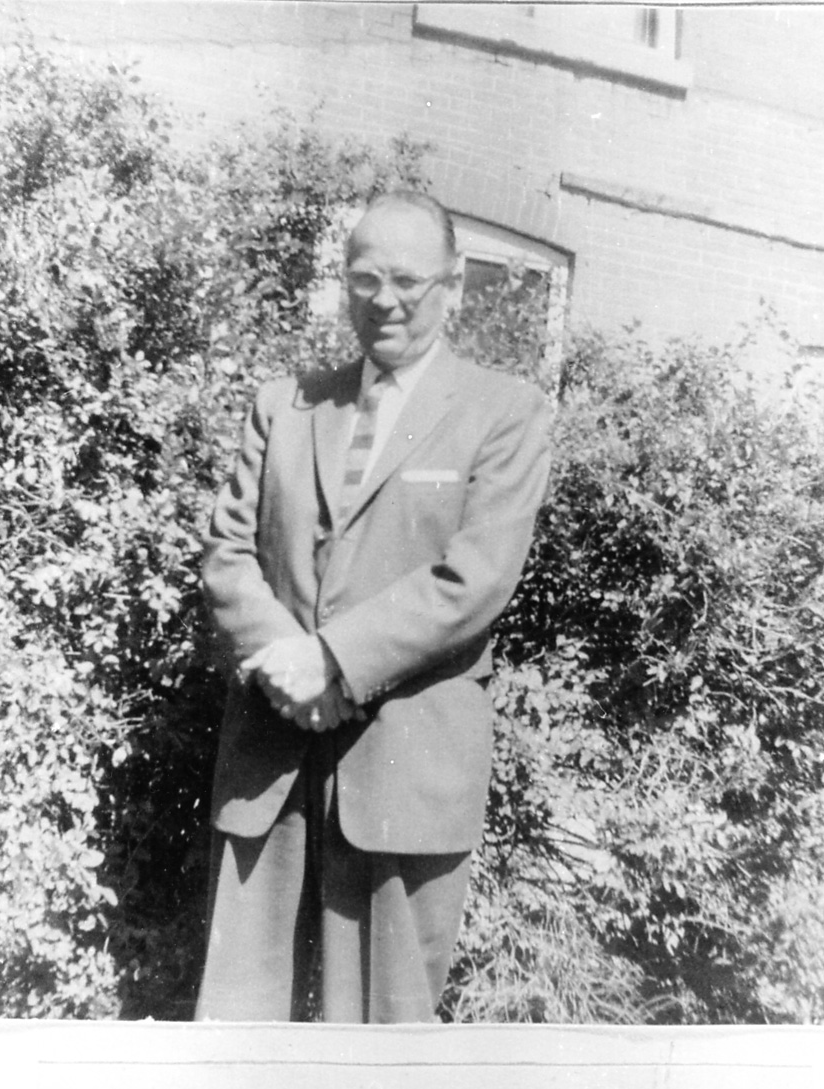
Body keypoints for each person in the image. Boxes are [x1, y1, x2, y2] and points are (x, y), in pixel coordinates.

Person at [194, 190, 551, 1023]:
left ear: (453, 286)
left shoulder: (504, 413)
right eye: (364, 278)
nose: (383, 300)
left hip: (405, 774)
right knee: (238, 1036)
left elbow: (475, 578)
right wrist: (289, 662)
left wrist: (332, 660)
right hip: (269, 763)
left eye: (407, 281)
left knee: (382, 1049)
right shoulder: (284, 404)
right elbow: (226, 552)